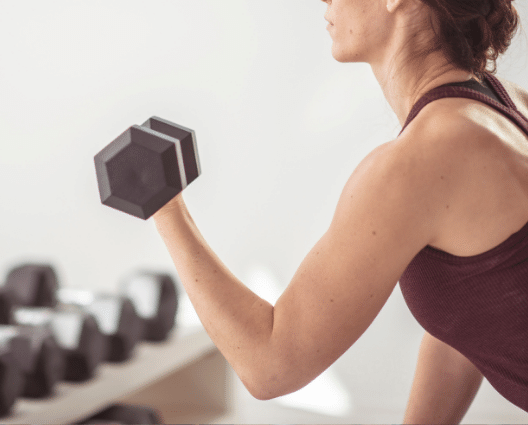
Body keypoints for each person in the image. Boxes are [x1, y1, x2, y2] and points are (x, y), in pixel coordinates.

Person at [152, 0, 527, 422]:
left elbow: (269, 366)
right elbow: (470, 317)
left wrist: (165, 206)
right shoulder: (504, 105)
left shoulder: (422, 160)